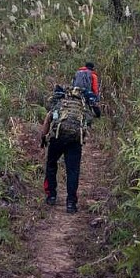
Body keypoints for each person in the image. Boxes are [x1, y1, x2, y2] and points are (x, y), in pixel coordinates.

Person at [41, 83, 99, 214]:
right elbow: (90, 119)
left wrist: (43, 138)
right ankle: (71, 203)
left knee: (51, 165)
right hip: (74, 140)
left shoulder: (60, 102)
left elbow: (48, 119)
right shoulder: (82, 105)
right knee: (73, 171)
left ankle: (51, 196)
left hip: (57, 137)